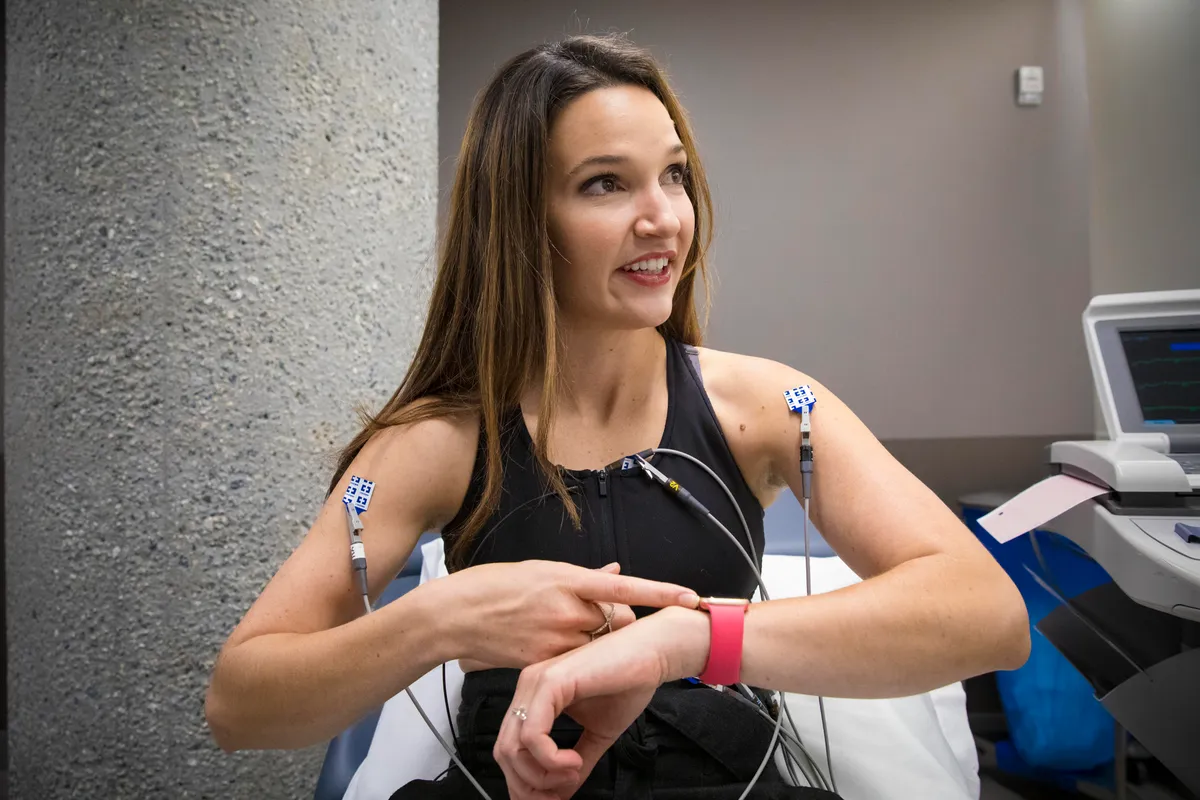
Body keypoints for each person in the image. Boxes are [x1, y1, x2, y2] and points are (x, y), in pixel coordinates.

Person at [205, 33, 1030, 800]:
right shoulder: (437, 442)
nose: (663, 217)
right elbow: (239, 705)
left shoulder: (771, 408)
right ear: (521, 221)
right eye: (605, 183)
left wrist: (692, 640)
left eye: (673, 175)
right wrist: (441, 618)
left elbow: (988, 615)